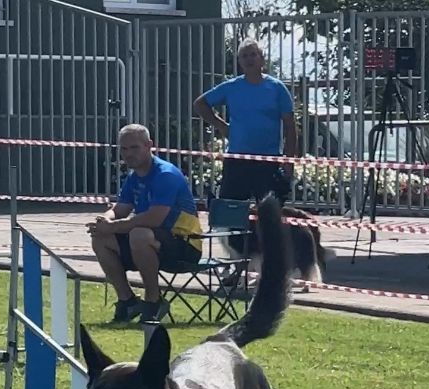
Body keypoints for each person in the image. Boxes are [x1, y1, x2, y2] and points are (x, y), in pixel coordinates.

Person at [88, 124, 203, 325]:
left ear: (149, 145)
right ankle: (128, 301)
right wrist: (105, 219)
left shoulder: (165, 174)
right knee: (100, 237)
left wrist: (114, 226)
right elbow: (121, 208)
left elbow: (154, 218)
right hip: (151, 242)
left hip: (185, 244)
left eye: (134, 148)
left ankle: (153, 300)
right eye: (124, 149)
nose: (128, 154)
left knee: (139, 234)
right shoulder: (134, 176)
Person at [194, 38, 297, 203]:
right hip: (237, 159)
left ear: (262, 59)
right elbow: (200, 104)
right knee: (231, 210)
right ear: (240, 61)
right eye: (244, 56)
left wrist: (289, 160)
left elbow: (290, 127)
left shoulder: (277, 88)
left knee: (269, 213)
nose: (249, 59)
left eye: (253, 55)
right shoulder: (231, 87)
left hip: (268, 160)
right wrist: (221, 126)